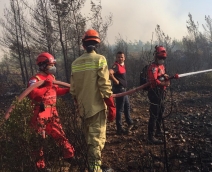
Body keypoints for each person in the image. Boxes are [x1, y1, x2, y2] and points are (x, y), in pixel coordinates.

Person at [70, 29, 116, 172]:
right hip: (96, 109)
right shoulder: (100, 59)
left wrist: (79, 106)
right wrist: (111, 105)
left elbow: (73, 90)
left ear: (83, 45)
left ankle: (92, 166)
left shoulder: (75, 63)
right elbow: (104, 85)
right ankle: (95, 169)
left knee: (88, 141)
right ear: (97, 44)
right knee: (96, 142)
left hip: (83, 110)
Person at [27, 52, 75, 170]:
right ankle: (40, 167)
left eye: (53, 64)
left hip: (52, 112)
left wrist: (68, 90)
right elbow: (33, 95)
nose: (53, 67)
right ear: (43, 65)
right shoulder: (35, 79)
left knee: (60, 134)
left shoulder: (51, 78)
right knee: (39, 140)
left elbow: (56, 90)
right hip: (40, 113)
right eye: (50, 64)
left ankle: (70, 156)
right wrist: (47, 85)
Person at [146, 45, 170, 145]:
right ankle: (150, 137)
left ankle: (158, 130)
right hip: (154, 93)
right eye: (160, 58)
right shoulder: (153, 67)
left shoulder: (162, 66)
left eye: (163, 58)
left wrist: (165, 77)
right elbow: (153, 81)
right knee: (154, 115)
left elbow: (162, 76)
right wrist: (163, 83)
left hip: (162, 93)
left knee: (161, 112)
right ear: (156, 57)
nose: (162, 60)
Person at [109, 51, 135, 135]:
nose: (120, 58)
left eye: (121, 57)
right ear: (116, 58)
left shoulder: (122, 65)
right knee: (120, 109)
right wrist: (116, 81)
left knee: (127, 106)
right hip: (119, 90)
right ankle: (119, 128)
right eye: (118, 57)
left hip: (124, 90)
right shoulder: (116, 66)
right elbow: (110, 73)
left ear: (124, 58)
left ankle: (129, 122)